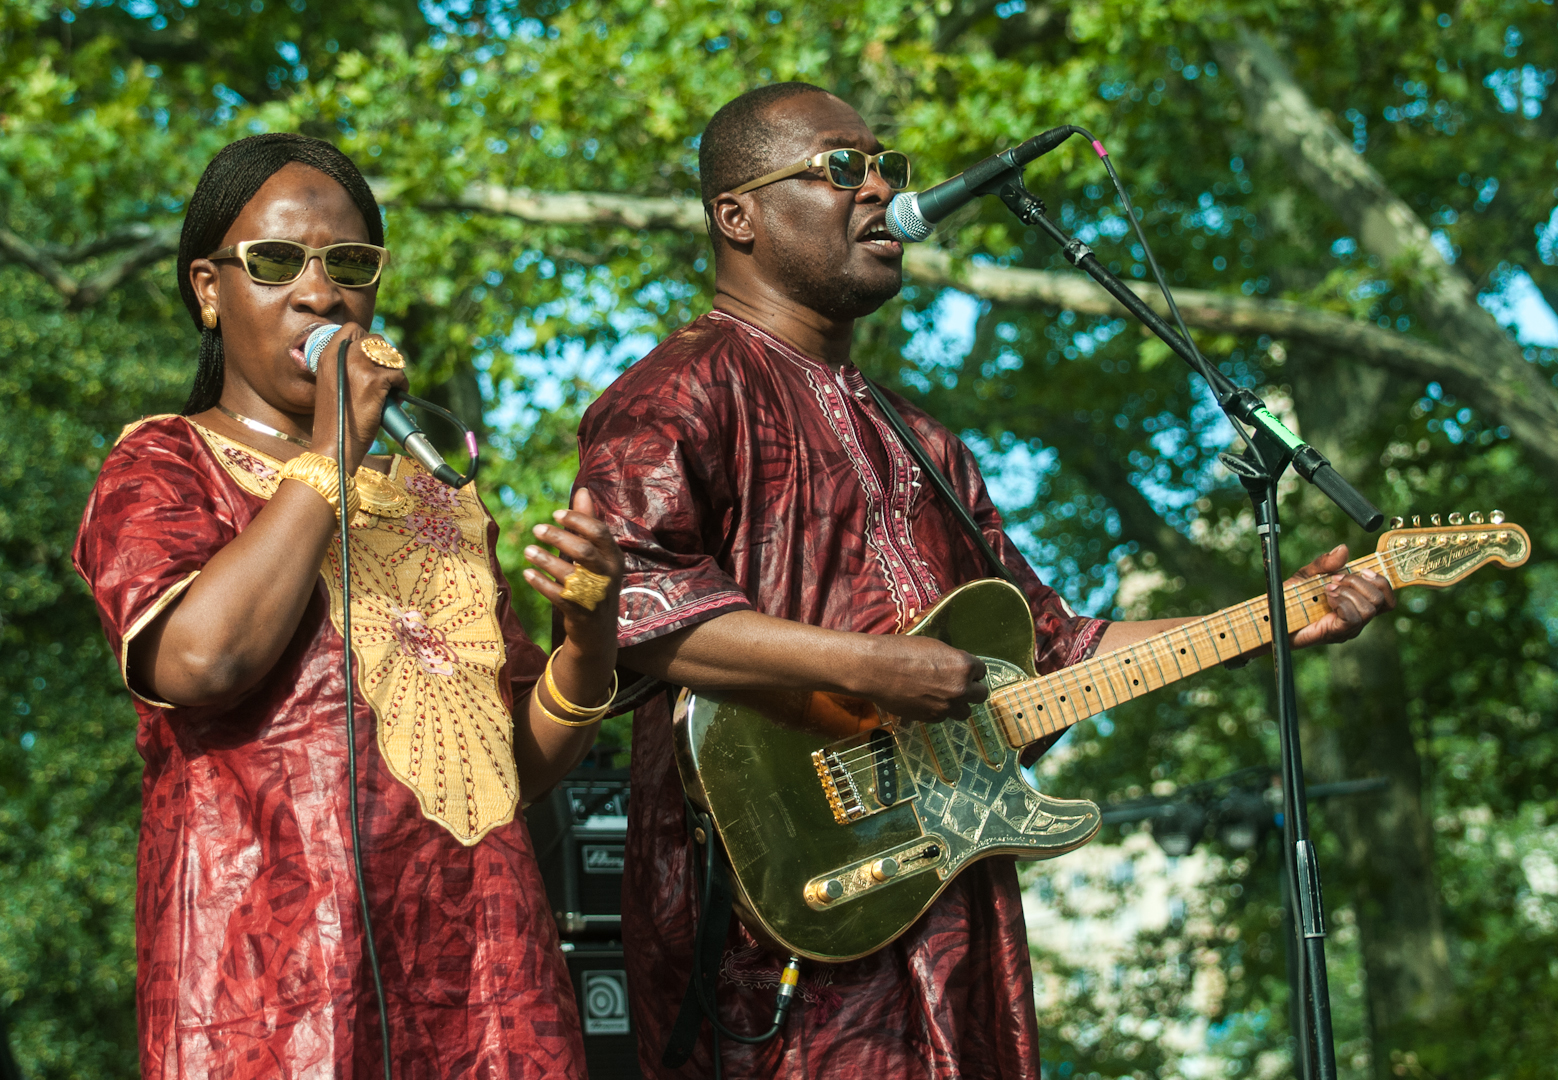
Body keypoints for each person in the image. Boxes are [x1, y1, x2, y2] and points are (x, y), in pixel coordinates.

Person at [574, 83, 1396, 1078]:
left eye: (887, 167)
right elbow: (631, 617)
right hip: (770, 925)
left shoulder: (926, 442)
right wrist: (874, 669)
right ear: (735, 216)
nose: (878, 188)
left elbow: (1055, 655)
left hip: (952, 912)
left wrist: (1272, 617)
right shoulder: (673, 398)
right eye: (841, 168)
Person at [72, 133, 623, 1078]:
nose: (321, 293)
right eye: (277, 261)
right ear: (209, 289)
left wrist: (589, 643)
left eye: (351, 265)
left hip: (486, 988)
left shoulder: (436, 496)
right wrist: (328, 455)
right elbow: (201, 663)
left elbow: (505, 773)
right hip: (268, 992)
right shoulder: (163, 464)